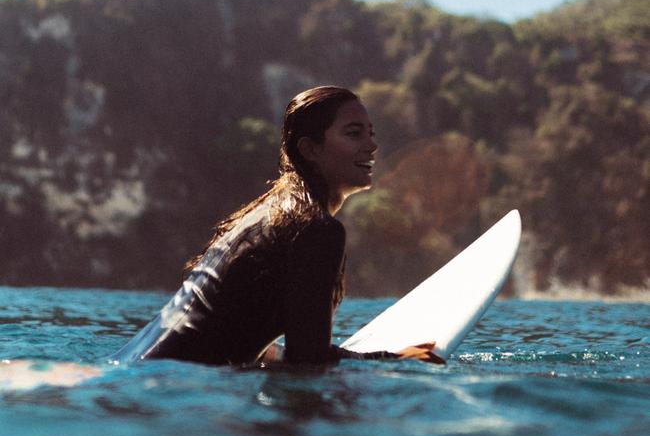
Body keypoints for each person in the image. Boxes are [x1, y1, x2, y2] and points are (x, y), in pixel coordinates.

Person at [110, 86, 435, 366]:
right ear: (310, 149)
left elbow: (231, 331)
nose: (372, 146)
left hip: (132, 370)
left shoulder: (268, 214)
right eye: (353, 133)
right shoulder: (314, 229)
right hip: (168, 386)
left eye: (371, 133)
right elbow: (308, 362)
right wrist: (392, 361)